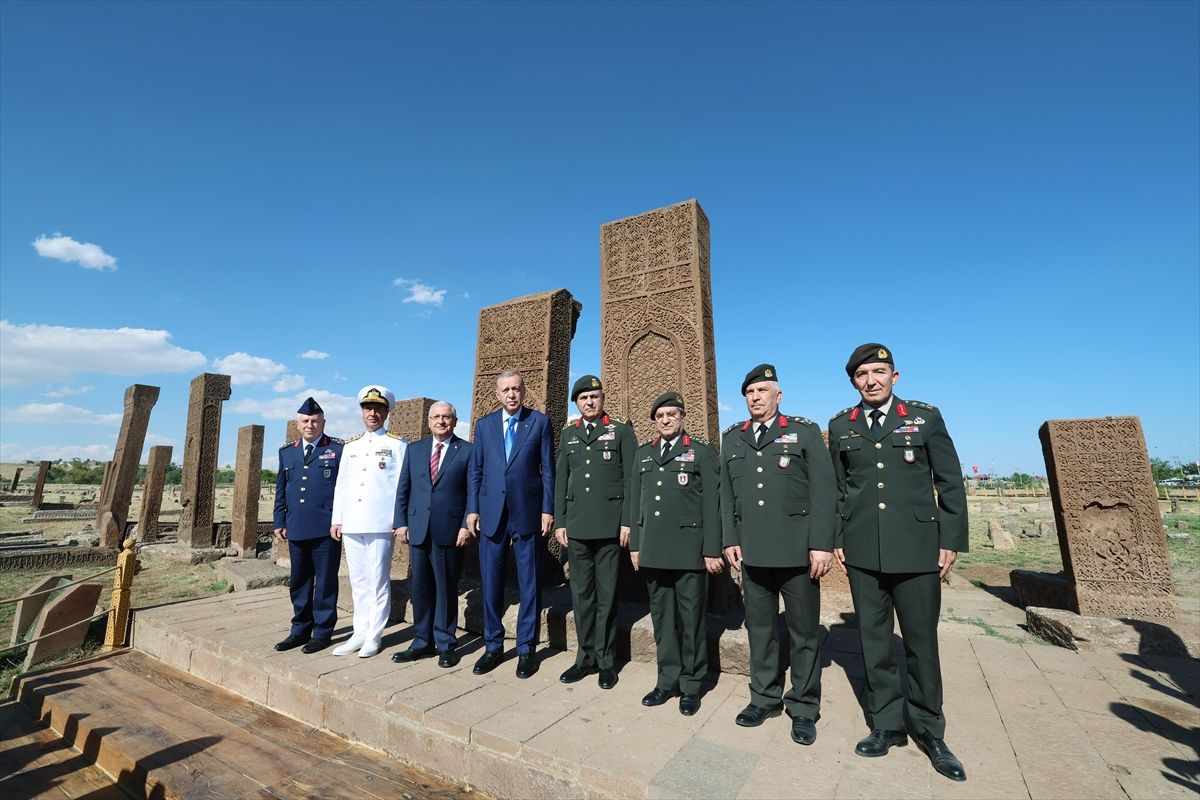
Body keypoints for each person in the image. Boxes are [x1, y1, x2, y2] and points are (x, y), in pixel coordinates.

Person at [828, 343, 968, 782]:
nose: (870, 380)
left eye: (878, 371)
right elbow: (837, 489)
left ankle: (931, 730)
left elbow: (949, 481)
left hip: (916, 547)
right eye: (862, 374)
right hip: (863, 549)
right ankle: (886, 724)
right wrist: (837, 540)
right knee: (874, 642)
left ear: (895, 376)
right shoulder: (841, 425)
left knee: (921, 642)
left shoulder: (924, 417)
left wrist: (951, 540)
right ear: (853, 381)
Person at [720, 364, 836, 745]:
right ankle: (765, 698)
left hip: (797, 553)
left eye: (762, 391)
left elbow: (824, 491)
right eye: (749, 393)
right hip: (752, 552)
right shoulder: (733, 439)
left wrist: (821, 543)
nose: (755, 398)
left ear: (778, 396)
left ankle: (803, 706)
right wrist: (730, 539)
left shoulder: (802, 432)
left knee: (803, 633)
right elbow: (728, 497)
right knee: (762, 630)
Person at [629, 392, 723, 716]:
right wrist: (636, 546)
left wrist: (712, 549)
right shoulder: (644, 453)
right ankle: (666, 680)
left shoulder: (699, 452)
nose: (666, 420)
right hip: (654, 551)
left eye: (672, 414)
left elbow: (713, 504)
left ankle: (692, 684)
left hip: (689, 551)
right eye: (660, 416)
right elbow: (636, 505)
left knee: (692, 621)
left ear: (683, 417)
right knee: (662, 621)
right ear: (655, 421)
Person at [466, 371, 555, 679]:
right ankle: (493, 645)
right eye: (506, 390)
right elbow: (476, 471)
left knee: (529, 582)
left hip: (527, 511)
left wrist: (547, 509)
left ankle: (526, 649)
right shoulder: (485, 425)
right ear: (497, 394)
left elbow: (548, 470)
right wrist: (472, 510)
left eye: (516, 389)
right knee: (491, 581)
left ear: (524, 391)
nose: (512, 394)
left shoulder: (539, 422)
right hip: (491, 512)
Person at [553, 375, 636, 689]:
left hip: (609, 527)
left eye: (594, 397)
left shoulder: (621, 431)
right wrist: (561, 521)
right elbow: (563, 480)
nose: (589, 402)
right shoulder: (569, 435)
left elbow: (631, 480)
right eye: (583, 398)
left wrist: (627, 521)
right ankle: (584, 658)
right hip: (577, 527)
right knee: (582, 596)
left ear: (603, 400)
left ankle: (606, 661)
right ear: (577, 402)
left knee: (607, 595)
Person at [392, 402, 472, 668]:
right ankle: (421, 641)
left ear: (455, 420)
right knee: (421, 588)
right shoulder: (414, 450)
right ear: (428, 421)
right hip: (417, 528)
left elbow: (473, 492)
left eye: (446, 417)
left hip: (450, 531)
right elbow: (403, 488)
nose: (441, 421)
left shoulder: (467, 451)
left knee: (446, 589)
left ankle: (446, 643)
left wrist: (465, 525)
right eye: (436, 417)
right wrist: (400, 522)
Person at [330, 385, 406, 659]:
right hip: (352, 522)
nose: (372, 413)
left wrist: (399, 521)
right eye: (367, 408)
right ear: (362, 411)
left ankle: (374, 635)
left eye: (378, 408)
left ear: (387, 412)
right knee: (359, 581)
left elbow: (402, 487)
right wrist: (337, 519)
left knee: (378, 582)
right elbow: (342, 485)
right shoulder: (350, 446)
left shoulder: (397, 445)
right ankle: (359, 632)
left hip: (380, 522)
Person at [273, 397, 344, 654]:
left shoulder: (337, 450)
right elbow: (282, 489)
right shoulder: (287, 451)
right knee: (299, 581)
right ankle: (300, 629)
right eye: (305, 421)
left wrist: (340, 521)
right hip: (296, 526)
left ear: (323, 423)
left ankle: (323, 632)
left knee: (325, 582)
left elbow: (342, 489)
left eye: (315, 421)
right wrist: (279, 521)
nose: (310, 425)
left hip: (326, 529)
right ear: (298, 423)